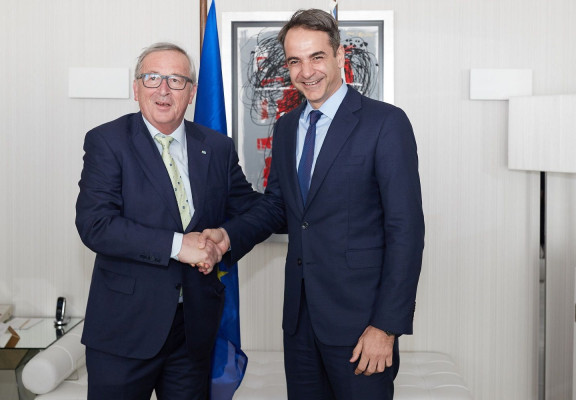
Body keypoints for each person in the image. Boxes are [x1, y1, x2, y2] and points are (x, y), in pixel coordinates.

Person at [201, 9, 424, 400]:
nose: (306, 72)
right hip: (300, 323)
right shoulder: (287, 126)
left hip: (362, 325)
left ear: (339, 56)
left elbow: (405, 230)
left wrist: (386, 327)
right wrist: (227, 237)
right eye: (294, 61)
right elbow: (279, 208)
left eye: (316, 57)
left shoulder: (386, 123)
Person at [75, 42, 259, 400]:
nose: (163, 89)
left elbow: (253, 210)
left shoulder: (217, 147)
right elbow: (96, 224)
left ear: (191, 92)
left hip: (192, 331)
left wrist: (225, 236)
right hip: (124, 331)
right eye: (152, 78)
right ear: (136, 88)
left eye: (176, 80)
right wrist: (178, 246)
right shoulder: (107, 141)